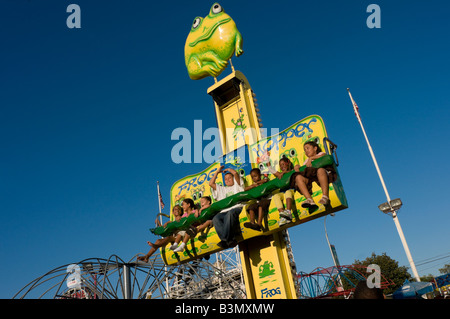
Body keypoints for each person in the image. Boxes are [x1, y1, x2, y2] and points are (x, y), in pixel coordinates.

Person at [291, 141, 337, 211]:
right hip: (311, 178)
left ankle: (325, 197)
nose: (306, 151)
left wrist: (312, 158)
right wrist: (297, 167)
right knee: (298, 177)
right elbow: (304, 170)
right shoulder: (306, 161)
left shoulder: (320, 154)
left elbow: (323, 156)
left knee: (320, 170)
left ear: (315, 148)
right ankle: (309, 199)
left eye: (308, 148)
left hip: (322, 175)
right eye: (305, 150)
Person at [209, 166, 245, 249]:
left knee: (230, 213)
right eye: (226, 179)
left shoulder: (237, 186)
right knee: (215, 218)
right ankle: (231, 240)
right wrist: (217, 172)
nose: (228, 180)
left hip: (236, 208)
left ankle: (225, 240)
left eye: (230, 178)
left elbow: (235, 173)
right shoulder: (222, 189)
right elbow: (211, 183)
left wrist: (228, 170)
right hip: (224, 212)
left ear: (233, 179)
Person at [268, 157, 295, 226]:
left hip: (291, 190)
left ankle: (288, 212)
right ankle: (283, 216)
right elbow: (271, 169)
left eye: (283, 164)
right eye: (280, 166)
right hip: (282, 192)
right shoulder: (281, 174)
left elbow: (295, 171)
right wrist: (267, 159)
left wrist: (285, 172)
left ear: (288, 163)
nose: (282, 167)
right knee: (276, 196)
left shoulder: (292, 170)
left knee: (288, 192)